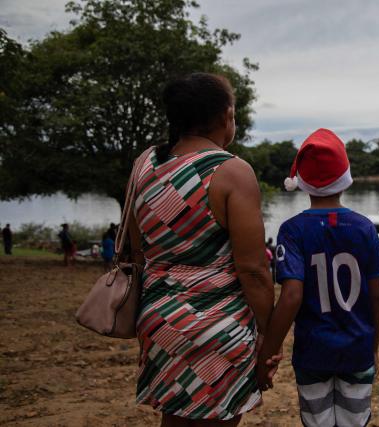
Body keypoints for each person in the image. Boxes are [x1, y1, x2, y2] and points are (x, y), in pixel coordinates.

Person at [129, 73, 275, 426]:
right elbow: (253, 269)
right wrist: (270, 336)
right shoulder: (231, 171)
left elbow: (137, 251)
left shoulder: (144, 164)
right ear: (226, 116)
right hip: (216, 326)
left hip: (160, 320)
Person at [260, 128, 379, 427]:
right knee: (354, 421)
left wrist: (267, 352)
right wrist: (374, 346)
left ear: (302, 184)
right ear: (345, 178)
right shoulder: (364, 227)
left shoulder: (292, 230)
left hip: (312, 351)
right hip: (357, 348)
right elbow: (378, 297)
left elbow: (291, 295)